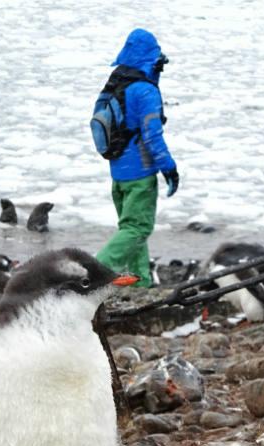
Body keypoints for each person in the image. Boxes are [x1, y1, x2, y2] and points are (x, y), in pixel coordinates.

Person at [94, 29, 178, 287]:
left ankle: (140, 283)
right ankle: (93, 277)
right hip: (140, 175)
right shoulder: (144, 91)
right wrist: (169, 168)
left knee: (132, 230)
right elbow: (152, 136)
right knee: (136, 229)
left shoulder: (115, 84)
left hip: (118, 174)